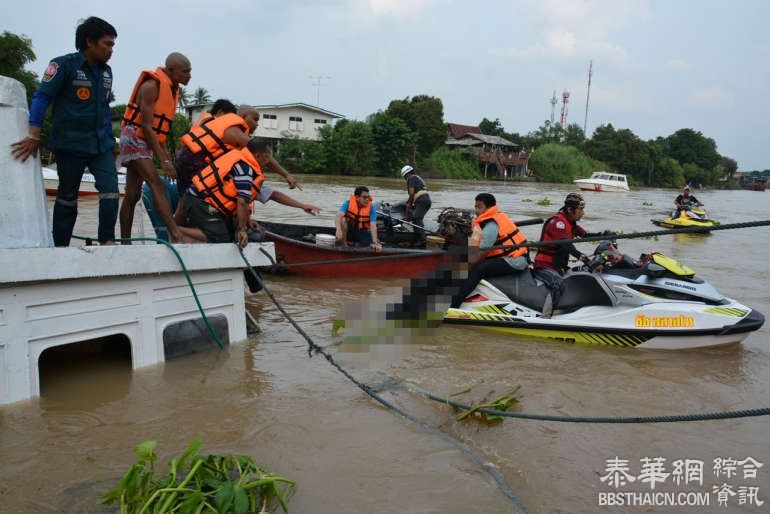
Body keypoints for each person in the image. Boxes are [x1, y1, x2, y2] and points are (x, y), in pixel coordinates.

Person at [11, 17, 119, 246]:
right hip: (71, 144)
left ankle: (107, 241)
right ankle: (60, 248)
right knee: (67, 198)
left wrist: (111, 139)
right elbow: (42, 97)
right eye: (107, 44)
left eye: (112, 45)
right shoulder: (63, 66)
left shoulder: (107, 72)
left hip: (101, 145)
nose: (111, 50)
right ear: (90, 42)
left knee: (110, 192)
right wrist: (33, 134)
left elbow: (103, 108)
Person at [118, 52, 195, 243]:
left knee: (133, 194)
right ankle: (175, 234)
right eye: (185, 72)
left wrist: (166, 157)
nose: (189, 75)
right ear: (171, 70)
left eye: (190, 71)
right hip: (134, 137)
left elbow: (158, 131)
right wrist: (165, 161)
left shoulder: (171, 89)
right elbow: (145, 125)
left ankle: (125, 242)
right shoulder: (151, 86)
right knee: (157, 185)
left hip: (148, 140)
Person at [183, 137, 273, 246]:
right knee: (220, 238)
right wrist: (242, 230)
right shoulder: (245, 169)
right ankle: (176, 231)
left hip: (208, 201)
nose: (268, 161)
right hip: (199, 200)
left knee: (231, 232)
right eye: (267, 157)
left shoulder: (240, 158)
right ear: (258, 156)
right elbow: (242, 201)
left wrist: (247, 220)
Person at [450, 193, 528, 308]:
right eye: (475, 207)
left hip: (515, 260)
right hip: (506, 256)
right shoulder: (489, 219)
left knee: (478, 269)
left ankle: (454, 304)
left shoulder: (491, 224)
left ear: (489, 208)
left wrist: (467, 264)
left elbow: (481, 253)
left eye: (479, 207)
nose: (476, 210)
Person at [534, 192, 604, 275]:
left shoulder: (570, 222)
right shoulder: (558, 223)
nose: (583, 213)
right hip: (545, 266)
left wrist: (604, 235)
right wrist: (589, 262)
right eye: (580, 209)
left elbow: (585, 235)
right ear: (570, 210)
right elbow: (568, 246)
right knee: (561, 287)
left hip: (559, 266)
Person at [335, 186, 382, 252]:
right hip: (349, 231)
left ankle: (358, 244)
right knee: (343, 220)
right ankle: (344, 245)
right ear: (357, 197)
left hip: (362, 231)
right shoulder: (348, 203)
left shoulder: (371, 207)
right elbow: (338, 216)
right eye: (364, 197)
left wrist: (374, 242)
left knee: (375, 242)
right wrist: (338, 230)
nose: (367, 199)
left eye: (368, 197)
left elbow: (373, 225)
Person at [400, 164, 431, 246]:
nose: (405, 179)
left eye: (404, 177)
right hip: (426, 200)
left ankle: (422, 240)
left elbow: (411, 193)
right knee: (416, 219)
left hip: (421, 200)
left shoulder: (411, 178)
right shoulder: (418, 178)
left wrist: (408, 204)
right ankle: (418, 237)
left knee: (416, 218)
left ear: (407, 174)